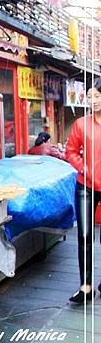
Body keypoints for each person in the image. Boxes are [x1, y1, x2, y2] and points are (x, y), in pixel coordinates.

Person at [65, 78, 101, 303]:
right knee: (85, 236)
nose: (93, 101)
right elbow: (70, 151)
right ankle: (85, 287)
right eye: (89, 97)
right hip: (85, 186)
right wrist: (82, 167)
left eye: (97, 96)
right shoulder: (80, 124)